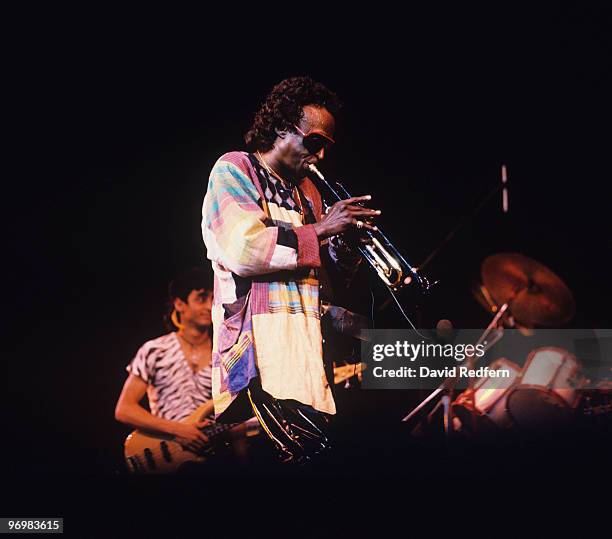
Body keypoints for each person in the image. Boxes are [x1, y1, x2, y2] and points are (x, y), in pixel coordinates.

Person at [201, 76, 380, 463]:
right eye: (313, 142)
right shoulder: (236, 169)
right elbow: (245, 248)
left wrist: (347, 248)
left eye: (326, 147)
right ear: (282, 127)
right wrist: (322, 229)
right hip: (259, 361)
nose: (320, 157)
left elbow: (319, 275)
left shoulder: (308, 193)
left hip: (307, 359)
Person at [115, 267, 215, 454]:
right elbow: (124, 409)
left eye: (213, 299)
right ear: (179, 304)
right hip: (164, 455)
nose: (209, 306)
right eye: (201, 298)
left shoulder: (223, 354)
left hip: (212, 456)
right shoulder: (155, 350)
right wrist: (178, 430)